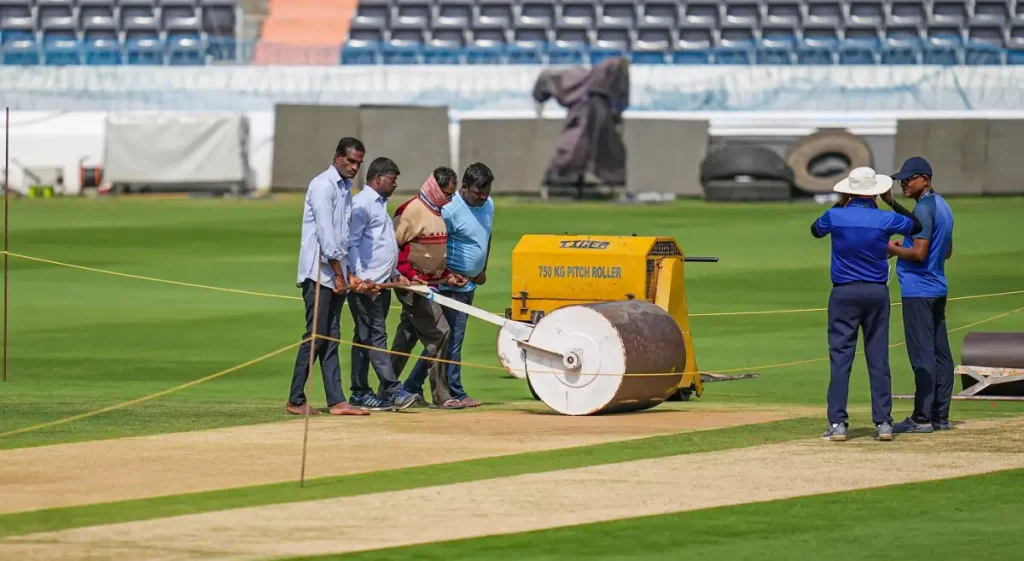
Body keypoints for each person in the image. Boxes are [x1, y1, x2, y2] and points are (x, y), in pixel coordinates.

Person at [811, 166, 922, 442]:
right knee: (878, 358)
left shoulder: (836, 216)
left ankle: (838, 424)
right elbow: (916, 225)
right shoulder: (885, 219)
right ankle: (883, 423)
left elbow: (815, 230)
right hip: (875, 293)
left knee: (840, 360)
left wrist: (842, 202)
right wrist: (890, 201)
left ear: (849, 190)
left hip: (844, 294)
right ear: (875, 191)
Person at [286, 137, 370, 417]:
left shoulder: (345, 189)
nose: (355, 167)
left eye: (358, 162)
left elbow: (343, 238)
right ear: (337, 157)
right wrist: (338, 275)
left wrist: (347, 273)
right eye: (350, 161)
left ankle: (337, 401)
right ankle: (296, 399)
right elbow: (326, 236)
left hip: (336, 274)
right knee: (316, 337)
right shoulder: (323, 185)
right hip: (318, 274)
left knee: (331, 337)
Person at [405, 162, 495, 408]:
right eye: (478, 192)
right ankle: (455, 391)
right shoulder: (451, 209)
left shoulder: (488, 204)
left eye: (486, 192)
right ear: (464, 188)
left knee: (443, 340)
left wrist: (483, 269)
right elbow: (435, 243)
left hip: (470, 285)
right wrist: (449, 273)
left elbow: (487, 236)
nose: (483, 197)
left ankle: (411, 385)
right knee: (451, 339)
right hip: (450, 285)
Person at [390, 166, 469, 409]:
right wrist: (410, 277)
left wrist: (447, 277)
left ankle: (387, 387)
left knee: (407, 337)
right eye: (448, 194)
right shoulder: (410, 210)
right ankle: (442, 396)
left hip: (430, 285)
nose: (451, 199)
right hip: (412, 286)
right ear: (435, 189)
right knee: (441, 332)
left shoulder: (437, 211)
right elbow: (392, 248)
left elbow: (431, 254)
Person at [887, 157, 956, 434]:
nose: (903, 183)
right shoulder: (942, 206)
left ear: (924, 179)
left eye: (909, 178)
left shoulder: (925, 208)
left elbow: (918, 253)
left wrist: (893, 249)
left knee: (921, 355)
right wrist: (891, 203)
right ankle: (940, 416)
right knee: (941, 354)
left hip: (918, 290)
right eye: (902, 179)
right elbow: (947, 251)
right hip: (938, 286)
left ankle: (921, 417)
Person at [345, 157, 419, 412]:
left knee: (364, 337)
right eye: (392, 179)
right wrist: (360, 276)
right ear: (377, 178)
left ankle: (360, 392)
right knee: (375, 335)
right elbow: (351, 243)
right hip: (366, 286)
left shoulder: (379, 205)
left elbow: (381, 246)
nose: (395, 184)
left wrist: (395, 273)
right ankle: (392, 389)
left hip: (381, 284)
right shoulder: (362, 205)